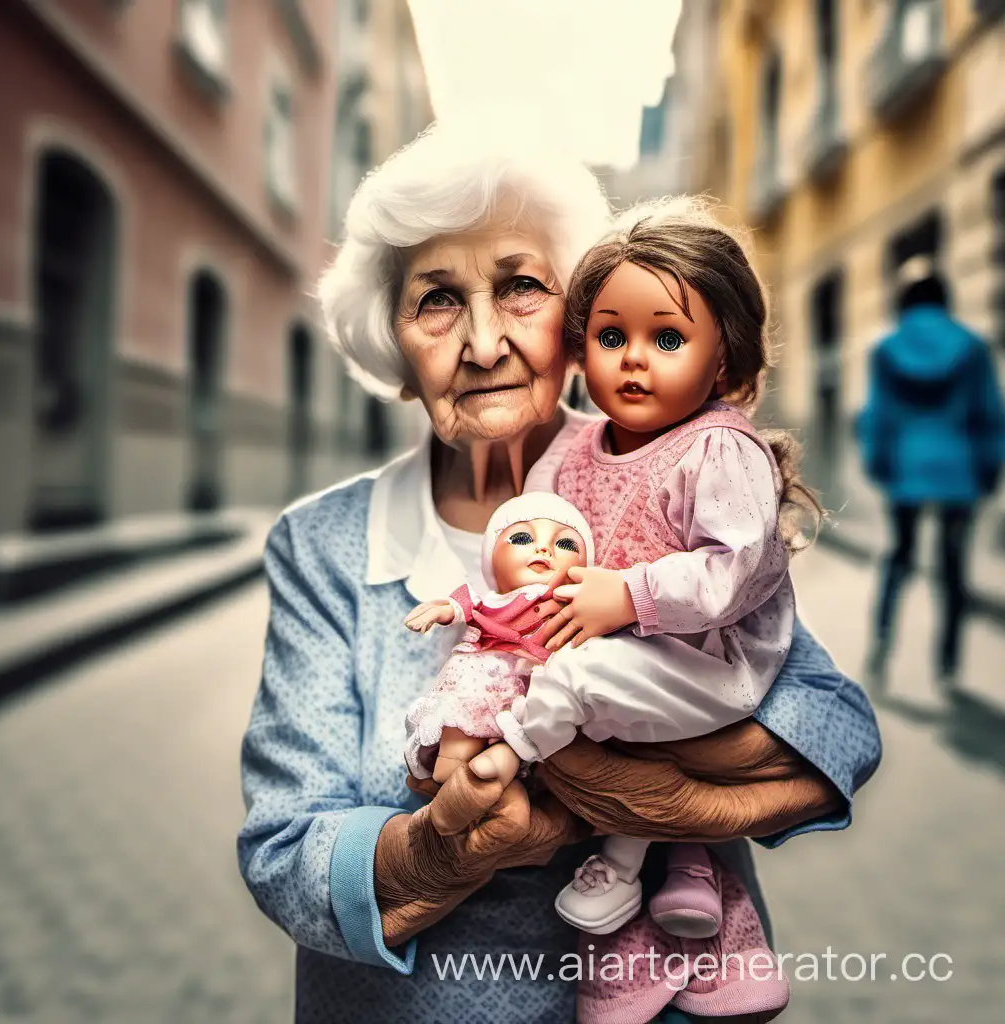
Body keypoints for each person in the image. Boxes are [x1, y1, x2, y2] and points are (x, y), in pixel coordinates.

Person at [237, 126, 882, 1024]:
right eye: (436, 301)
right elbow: (282, 852)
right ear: (392, 340)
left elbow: (837, 726)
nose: (485, 341)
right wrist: (442, 849)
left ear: (578, 320)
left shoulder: (663, 466)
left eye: (521, 287)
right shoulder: (323, 544)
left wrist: (677, 801)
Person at [859, 263, 1005, 694]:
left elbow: (878, 415)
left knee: (899, 558)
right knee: (952, 568)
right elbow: (990, 413)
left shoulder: (887, 350)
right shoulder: (973, 348)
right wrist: (989, 469)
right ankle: (947, 665)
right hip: (959, 472)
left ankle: (881, 648)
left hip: (906, 469)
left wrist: (880, 463)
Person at [403, 492, 595, 785]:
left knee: (526, 737)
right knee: (460, 727)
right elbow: (465, 607)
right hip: (484, 673)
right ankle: (453, 768)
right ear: (491, 558)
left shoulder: (570, 607)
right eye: (522, 539)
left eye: (565, 543)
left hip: (533, 687)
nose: (543, 548)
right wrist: (442, 611)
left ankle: (502, 764)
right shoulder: (494, 602)